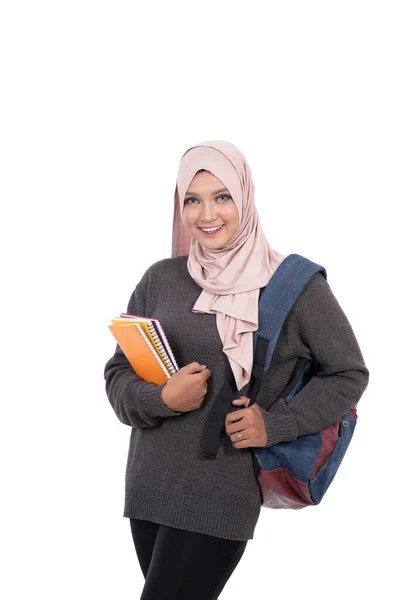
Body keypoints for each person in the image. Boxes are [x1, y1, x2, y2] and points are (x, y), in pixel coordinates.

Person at [103, 140, 369, 599]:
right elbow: (117, 372)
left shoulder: (292, 285)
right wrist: (160, 398)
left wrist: (275, 424)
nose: (207, 214)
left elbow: (349, 373)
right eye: (193, 199)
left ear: (244, 198)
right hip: (149, 481)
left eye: (222, 196)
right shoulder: (160, 278)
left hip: (221, 488)